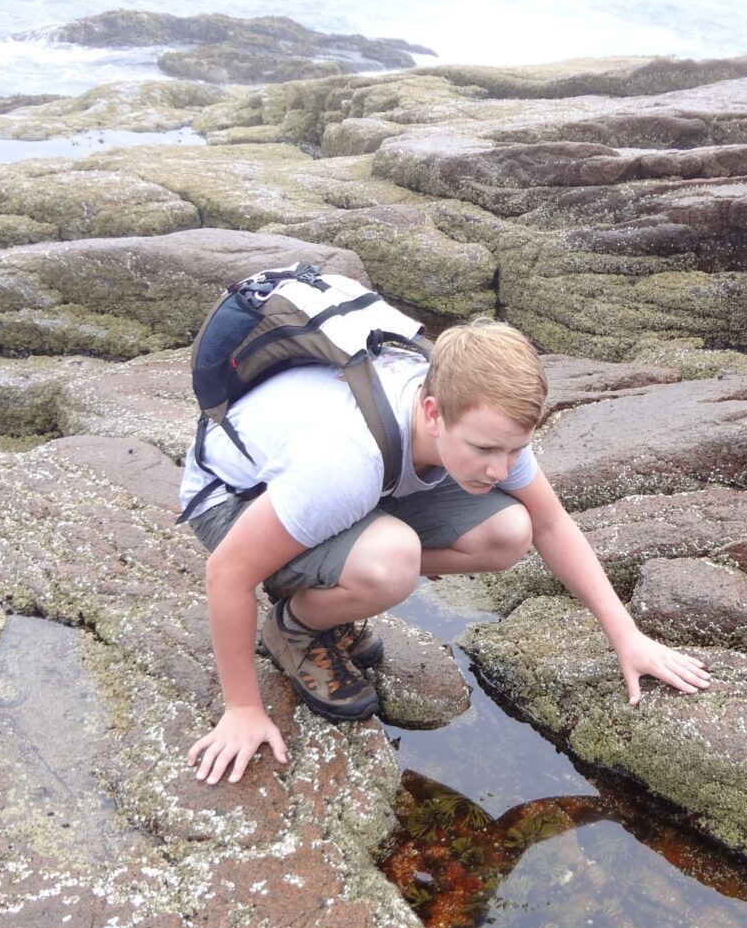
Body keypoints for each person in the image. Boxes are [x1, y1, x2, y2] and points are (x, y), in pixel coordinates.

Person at [181, 316, 711, 783]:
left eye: (516, 449)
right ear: (433, 413)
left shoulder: (482, 420)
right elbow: (226, 573)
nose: (500, 469)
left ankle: (333, 576)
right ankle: (295, 626)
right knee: (392, 562)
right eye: (484, 449)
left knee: (510, 531)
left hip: (351, 490)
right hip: (237, 503)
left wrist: (627, 637)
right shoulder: (345, 463)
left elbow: (550, 523)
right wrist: (242, 708)